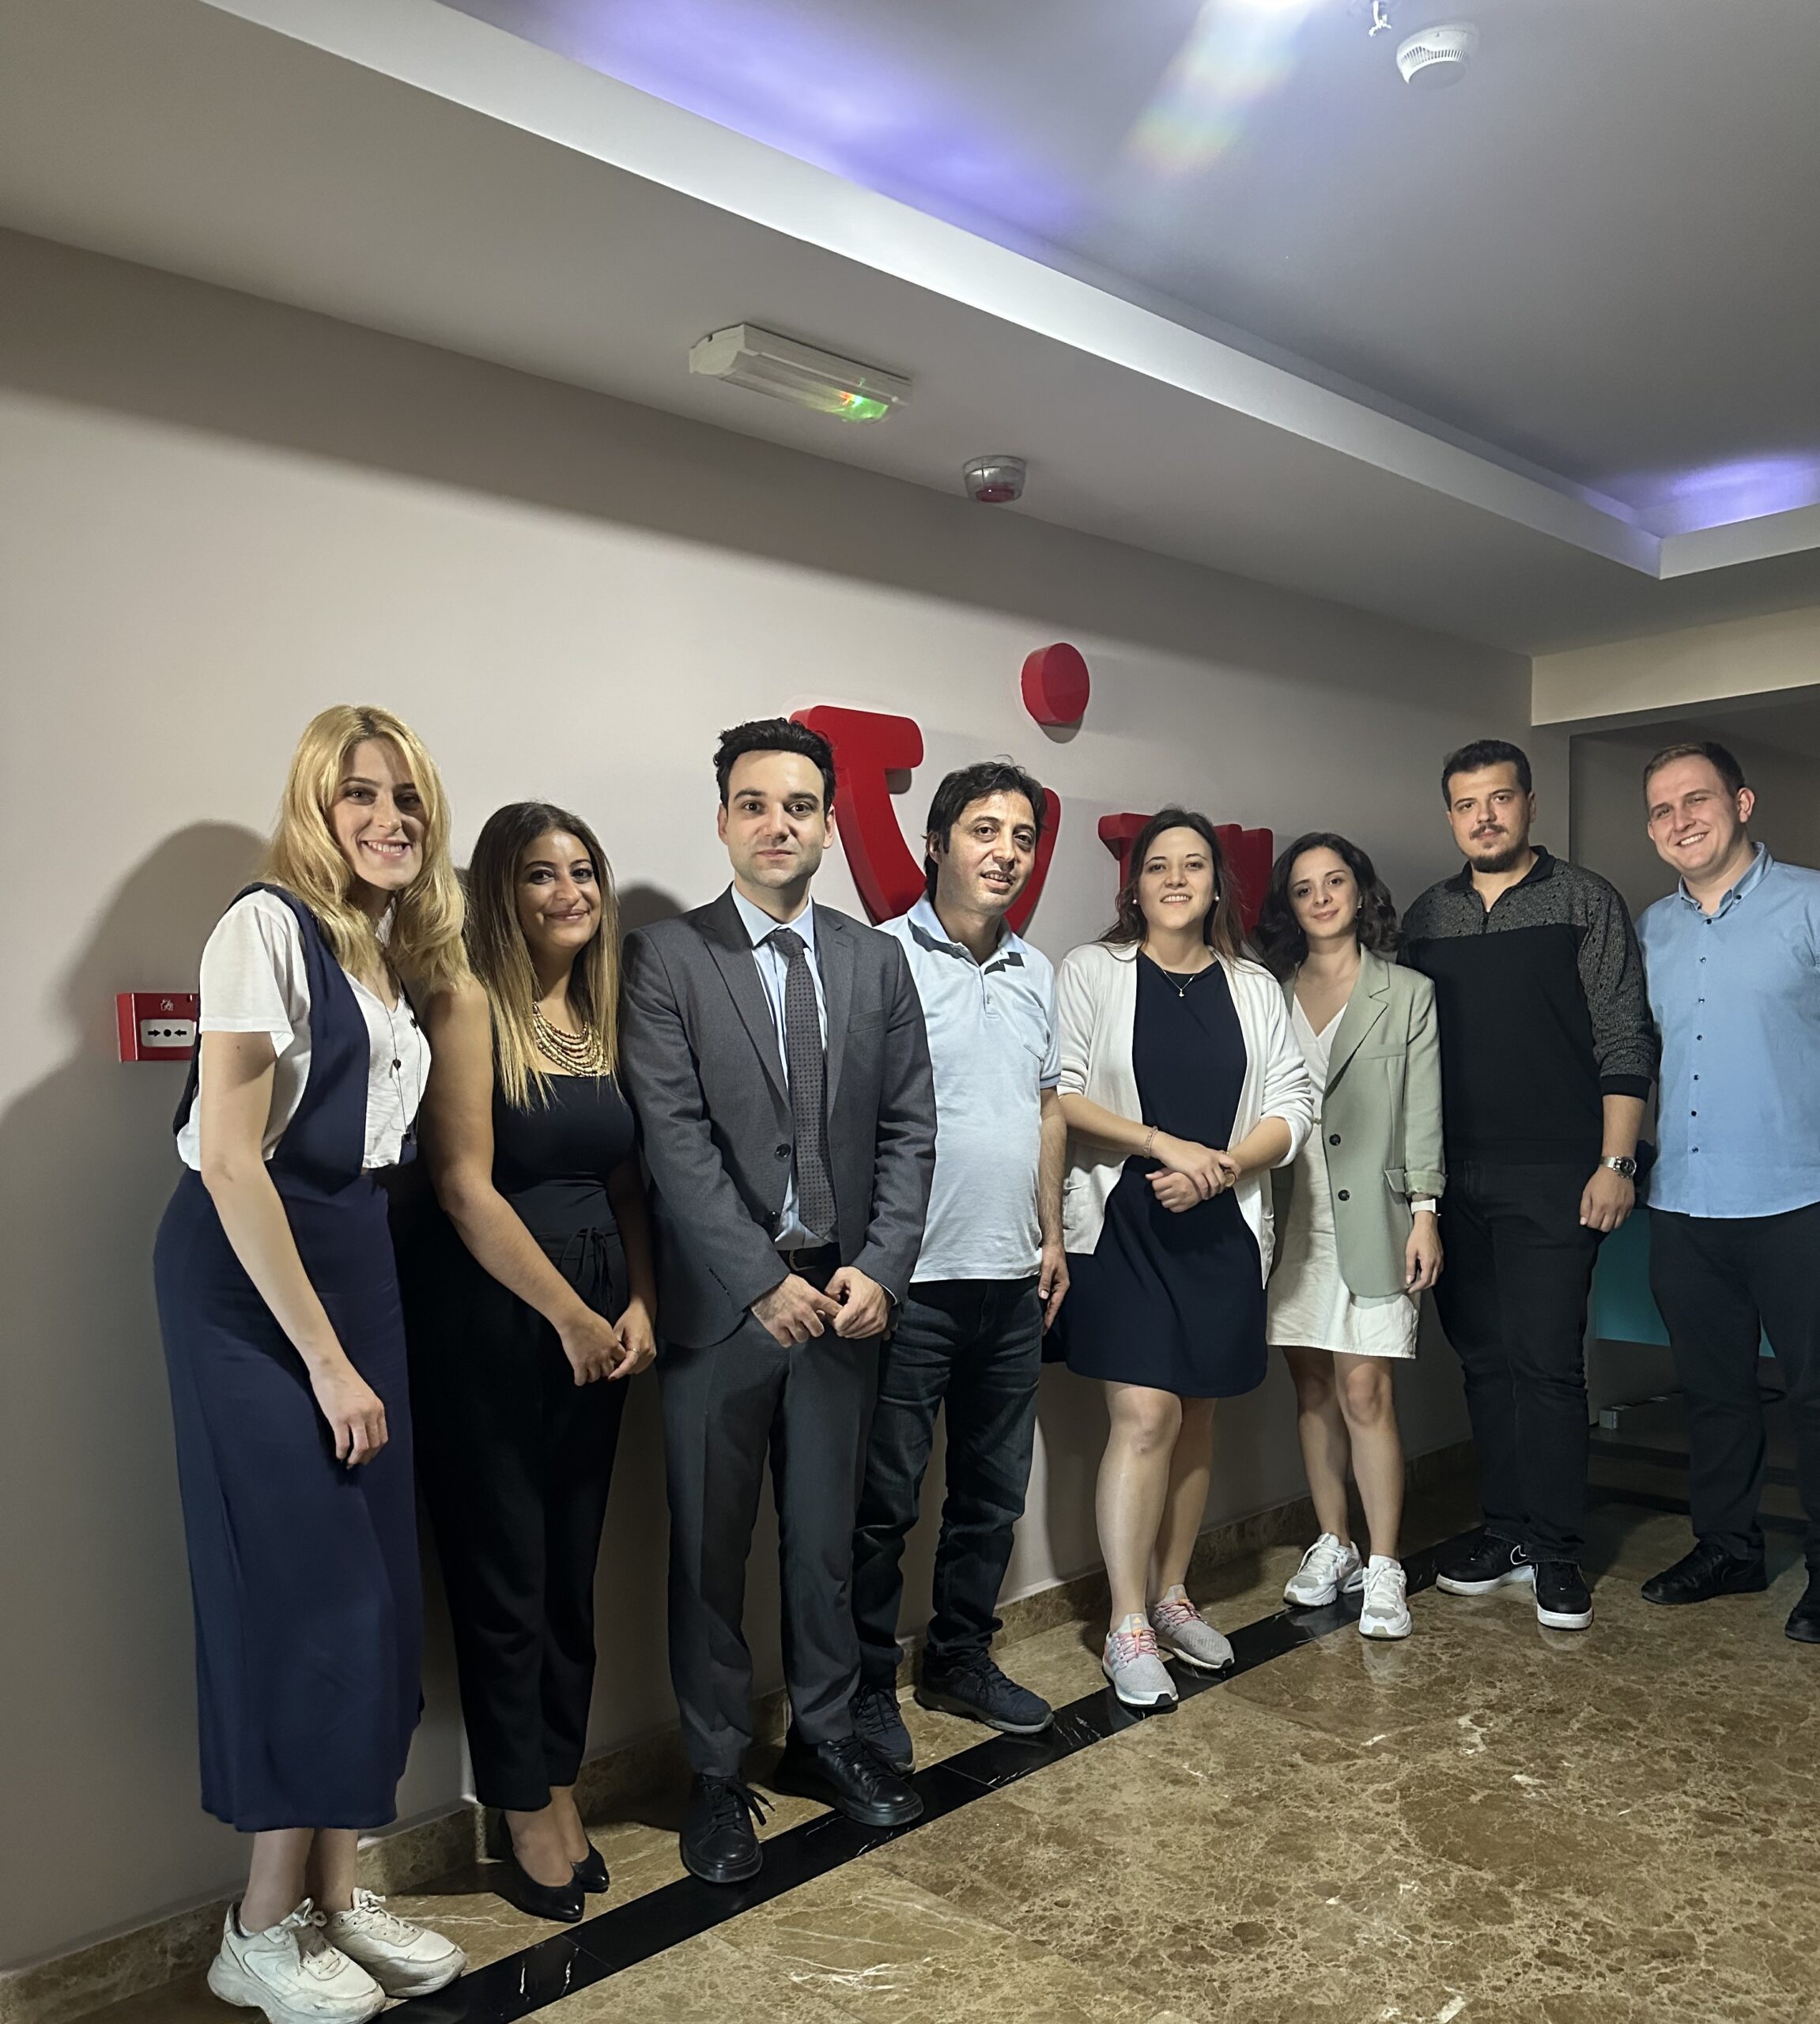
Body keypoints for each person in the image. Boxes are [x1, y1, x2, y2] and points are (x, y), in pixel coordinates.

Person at [153, 706, 466, 2024]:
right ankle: (259, 1927)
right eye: (359, 795)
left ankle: (337, 1895)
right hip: (249, 1286)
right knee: (309, 1598)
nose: (388, 818)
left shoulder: (385, 958)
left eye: (406, 796)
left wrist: (355, 1336)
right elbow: (233, 1162)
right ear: (314, 809)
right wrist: (329, 1364)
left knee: (379, 1596)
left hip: (354, 1261)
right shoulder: (263, 928)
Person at [618, 718, 937, 1885]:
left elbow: (909, 1128)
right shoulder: (666, 959)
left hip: (846, 1305)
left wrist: (882, 1266)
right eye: (753, 804)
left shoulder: (874, 961)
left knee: (823, 1544)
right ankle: (714, 1772)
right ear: (722, 820)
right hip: (723, 1314)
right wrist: (760, 1281)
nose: (776, 825)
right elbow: (673, 1140)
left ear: (828, 823)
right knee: (709, 1551)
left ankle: (827, 1732)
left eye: (798, 805)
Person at [405, 803, 658, 1924]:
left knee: (568, 1567)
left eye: (584, 870)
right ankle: (522, 1806)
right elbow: (461, 1186)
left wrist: (641, 1300)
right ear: (499, 891)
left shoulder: (596, 1011)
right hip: (499, 1320)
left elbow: (624, 1183)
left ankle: (561, 1775)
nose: (569, 892)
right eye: (541, 874)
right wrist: (568, 1314)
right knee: (504, 1572)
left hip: (599, 1320)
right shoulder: (467, 1001)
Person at [1055, 808, 1313, 1707]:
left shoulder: (1254, 986)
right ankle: (1126, 1624)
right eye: (1157, 864)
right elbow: (1062, 1095)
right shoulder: (1092, 970)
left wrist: (1223, 1169)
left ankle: (1171, 1595)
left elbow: (1292, 1106)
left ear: (1216, 885)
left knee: (1196, 1413)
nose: (1174, 878)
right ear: (1134, 885)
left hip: (1219, 1224)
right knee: (1144, 1415)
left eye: (1193, 864)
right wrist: (1163, 1144)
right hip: (1122, 1221)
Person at [1402, 738, 1656, 1633]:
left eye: (1500, 799)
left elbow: (1625, 1036)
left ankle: (1554, 1548)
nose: (1485, 817)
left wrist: (1615, 1163)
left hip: (1557, 1173)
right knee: (1482, 1358)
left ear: (1529, 805)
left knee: (1546, 1361)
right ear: (1450, 815)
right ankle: (1505, 1531)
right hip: (1451, 1175)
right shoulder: (1426, 916)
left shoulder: (1584, 900)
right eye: (1467, 804)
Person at [849, 761, 1070, 1775]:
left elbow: (1047, 1108)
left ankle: (959, 1658)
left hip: (1012, 1279)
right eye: (984, 830)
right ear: (935, 843)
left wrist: (1051, 1233)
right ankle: (862, 1687)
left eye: (1021, 836)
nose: (1004, 852)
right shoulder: (881, 960)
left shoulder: (1036, 970)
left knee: (991, 1495)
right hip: (910, 1283)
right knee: (882, 1504)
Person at [1633, 742, 1820, 1642]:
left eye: (1697, 799)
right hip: (1686, 1201)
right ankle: (1728, 1549)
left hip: (1799, 1200)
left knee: (1816, 1396)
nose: (1681, 820)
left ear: (1741, 803)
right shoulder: (1649, 931)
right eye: (1662, 809)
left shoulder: (1811, 904)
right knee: (1713, 1393)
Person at [1256, 833, 1445, 1641]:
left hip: (1377, 1215)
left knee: (1366, 1391)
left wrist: (1427, 1210)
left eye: (1335, 882)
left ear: (1361, 892)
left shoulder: (1407, 992)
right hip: (1292, 1217)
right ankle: (1333, 1542)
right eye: (1304, 888)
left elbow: (1422, 1110)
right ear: (1290, 906)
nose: (1322, 898)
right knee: (1311, 1388)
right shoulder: (1267, 994)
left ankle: (1385, 1563)